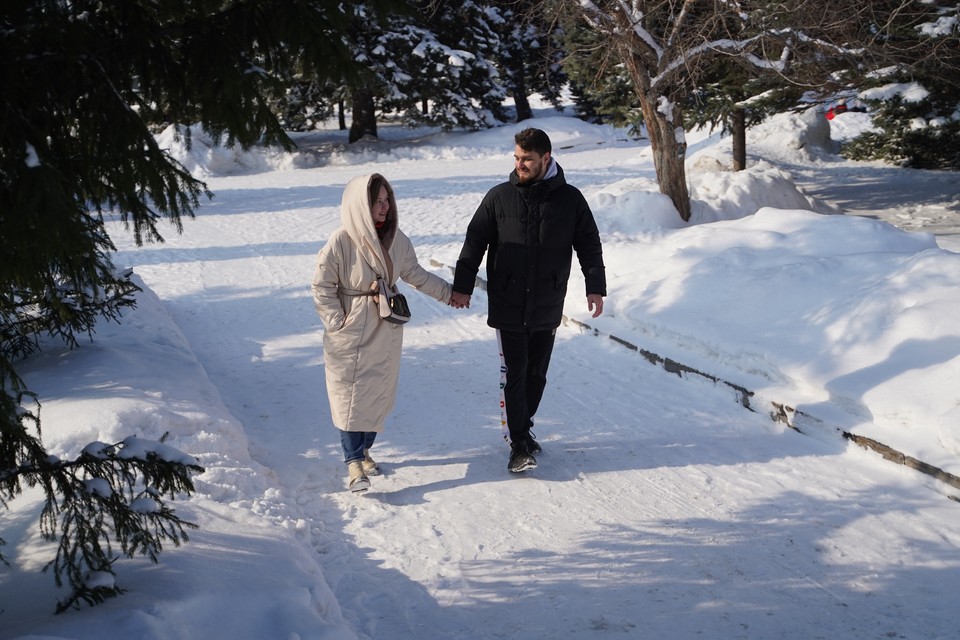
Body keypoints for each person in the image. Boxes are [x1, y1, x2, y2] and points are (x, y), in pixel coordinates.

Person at [450, 128, 606, 473]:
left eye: (527, 159)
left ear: (545, 159)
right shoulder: (499, 197)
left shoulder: (570, 200)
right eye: (517, 158)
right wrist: (462, 286)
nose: (520, 164)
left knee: (537, 374)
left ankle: (524, 427)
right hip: (507, 301)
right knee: (516, 372)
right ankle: (518, 442)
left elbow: (589, 244)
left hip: (548, 300)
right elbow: (474, 242)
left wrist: (595, 286)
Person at [312, 174, 453, 492]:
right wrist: (337, 322)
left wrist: (449, 293)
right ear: (360, 204)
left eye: (387, 200)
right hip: (350, 328)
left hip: (385, 326)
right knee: (348, 396)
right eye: (377, 201)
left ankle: (364, 451)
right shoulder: (341, 241)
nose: (384, 207)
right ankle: (352, 465)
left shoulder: (396, 238)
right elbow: (322, 286)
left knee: (377, 395)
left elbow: (415, 274)